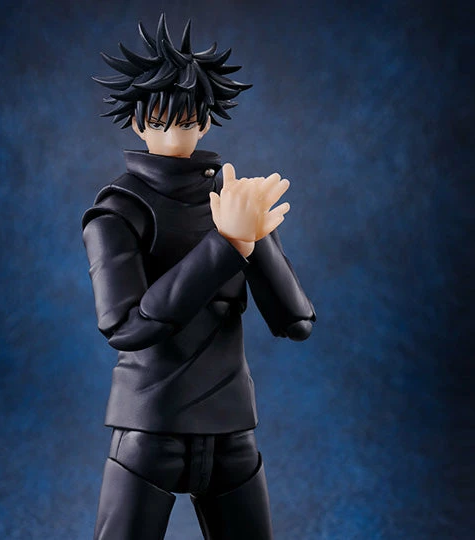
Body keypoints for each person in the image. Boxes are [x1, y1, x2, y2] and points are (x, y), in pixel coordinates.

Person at [82, 14, 316, 540]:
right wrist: (225, 244)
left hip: (231, 428)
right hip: (151, 425)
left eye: (187, 120)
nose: (174, 133)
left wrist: (254, 240)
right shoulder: (118, 210)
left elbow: (296, 321)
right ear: (139, 124)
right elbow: (125, 325)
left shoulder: (233, 202)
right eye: (161, 120)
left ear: (205, 123)